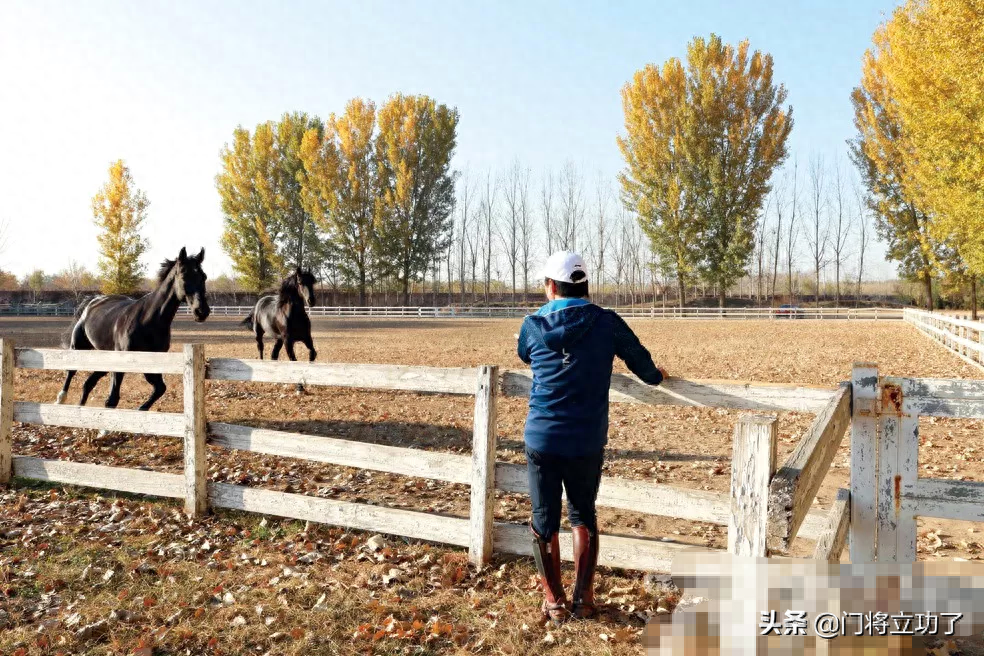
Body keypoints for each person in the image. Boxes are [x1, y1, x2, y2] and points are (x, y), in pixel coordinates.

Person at [516, 250, 667, 624]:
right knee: (583, 513)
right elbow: (646, 369)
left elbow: (525, 356)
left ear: (550, 286)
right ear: (585, 286)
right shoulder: (607, 323)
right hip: (586, 438)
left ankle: (553, 600)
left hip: (543, 438)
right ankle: (584, 600)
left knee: (543, 517)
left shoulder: (532, 325)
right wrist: (659, 375)